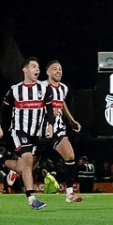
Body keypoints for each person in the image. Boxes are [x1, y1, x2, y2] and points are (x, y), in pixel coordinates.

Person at [0, 57, 51, 210]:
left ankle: (0, 161)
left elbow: (50, 109)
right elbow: (2, 110)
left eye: (38, 67)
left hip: (37, 134)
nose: (37, 69)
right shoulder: (15, 89)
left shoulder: (44, 88)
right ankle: (32, 199)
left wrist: (50, 125)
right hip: (19, 131)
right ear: (25, 70)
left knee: (25, 167)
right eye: (33, 66)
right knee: (27, 159)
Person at [41, 60, 84, 203]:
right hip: (40, 129)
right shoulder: (40, 87)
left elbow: (62, 103)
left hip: (58, 129)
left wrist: (71, 121)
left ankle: (70, 193)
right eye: (54, 69)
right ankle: (4, 163)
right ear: (47, 72)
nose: (58, 71)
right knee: (26, 166)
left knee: (70, 156)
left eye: (60, 69)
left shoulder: (63, 88)